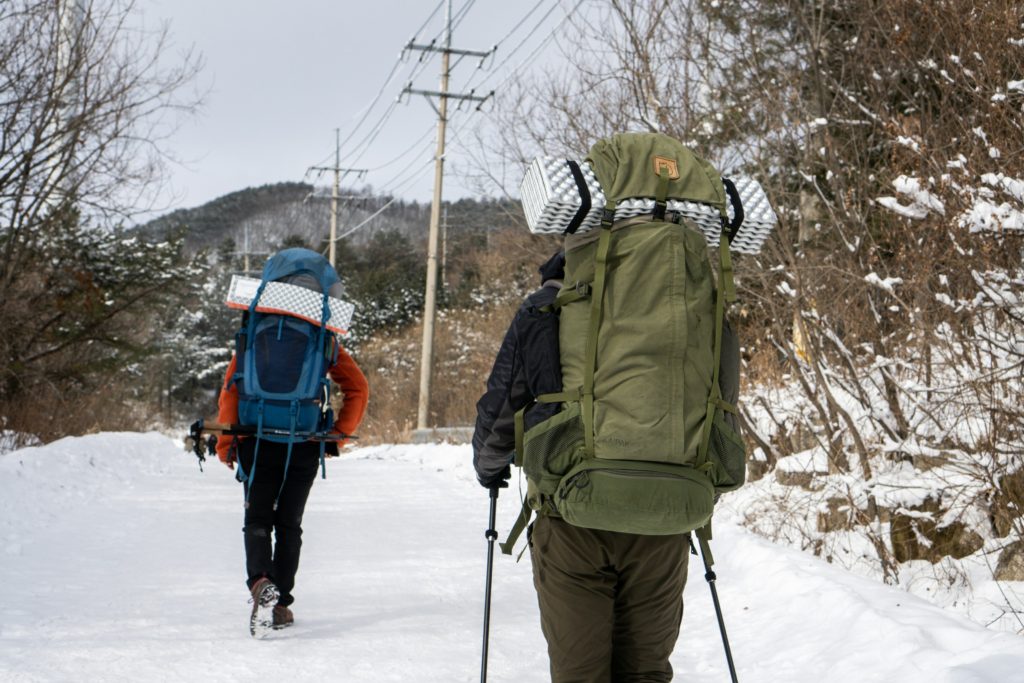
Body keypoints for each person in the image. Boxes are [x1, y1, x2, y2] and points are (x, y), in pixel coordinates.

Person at [473, 249, 740, 682]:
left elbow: (504, 403)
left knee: (581, 673)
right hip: (667, 516)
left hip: (572, 519)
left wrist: (489, 464)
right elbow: (723, 405)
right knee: (646, 671)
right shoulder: (698, 303)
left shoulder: (551, 303)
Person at [215, 261, 369, 637]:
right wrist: (337, 435)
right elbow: (358, 389)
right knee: (288, 525)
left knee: (257, 520)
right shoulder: (323, 339)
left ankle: (259, 584)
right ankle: (281, 604)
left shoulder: (253, 334)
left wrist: (226, 443)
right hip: (303, 443)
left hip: (255, 437)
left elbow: (230, 389)